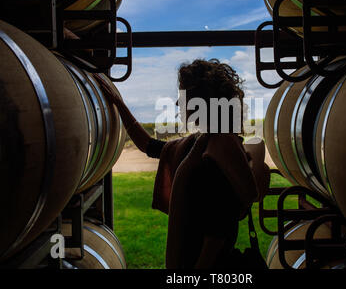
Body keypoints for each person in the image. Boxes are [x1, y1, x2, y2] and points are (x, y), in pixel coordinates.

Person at [94, 59, 266, 269]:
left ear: (200, 101)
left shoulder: (216, 149)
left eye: (182, 95)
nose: (177, 104)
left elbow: (219, 230)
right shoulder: (202, 142)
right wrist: (118, 104)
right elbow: (148, 145)